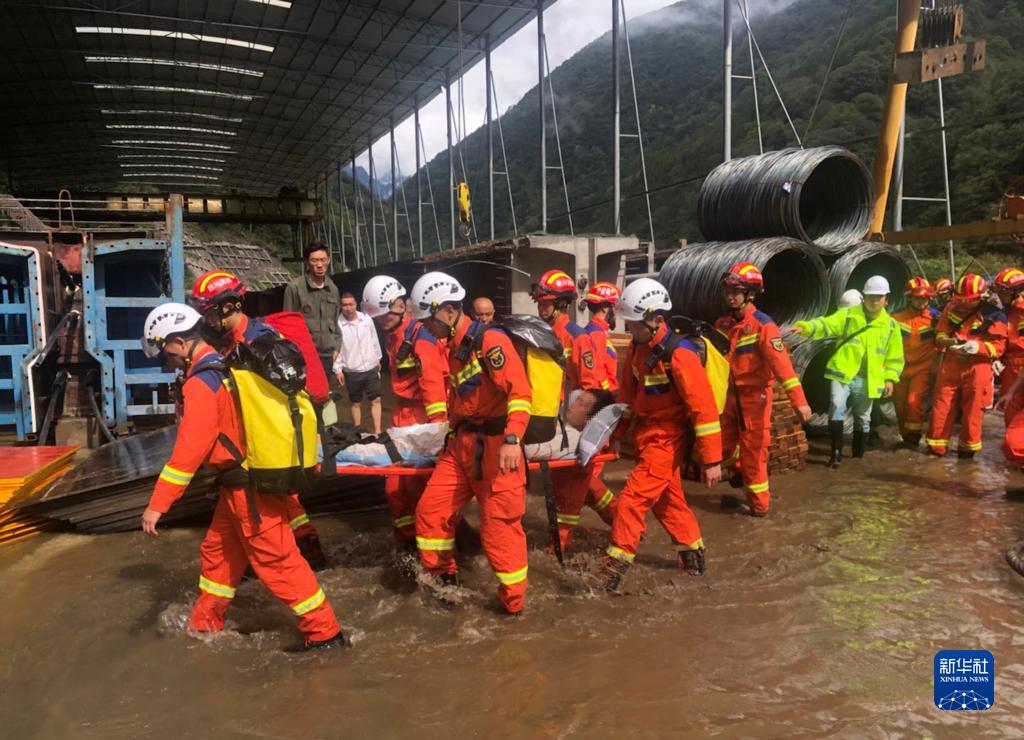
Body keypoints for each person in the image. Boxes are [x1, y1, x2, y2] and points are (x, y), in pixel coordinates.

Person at [139, 303, 346, 651]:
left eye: (165, 352)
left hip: (247, 488)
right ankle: (204, 626)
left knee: (278, 561)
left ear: (177, 342)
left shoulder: (201, 382)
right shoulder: (226, 365)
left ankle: (326, 635)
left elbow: (189, 450)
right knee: (218, 555)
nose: (167, 361)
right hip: (239, 484)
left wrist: (157, 505)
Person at [410, 271, 532, 615]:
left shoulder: (490, 341)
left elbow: (520, 393)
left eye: (429, 321)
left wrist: (512, 438)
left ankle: (512, 608)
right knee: (431, 512)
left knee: (500, 531)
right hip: (461, 445)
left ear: (448, 311)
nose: (425, 329)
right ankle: (443, 583)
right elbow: (459, 399)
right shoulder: (452, 347)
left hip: (497, 448)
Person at [191, 270, 327, 570]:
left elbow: (290, 395)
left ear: (229, 306)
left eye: (210, 312)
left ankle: (302, 558)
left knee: (273, 509)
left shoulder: (261, 343)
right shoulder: (233, 343)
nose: (207, 320)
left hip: (269, 442)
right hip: (253, 443)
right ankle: (307, 551)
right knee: (281, 504)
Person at [601, 278, 722, 591]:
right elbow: (627, 398)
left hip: (668, 439)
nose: (630, 332)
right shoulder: (639, 351)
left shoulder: (680, 355)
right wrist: (618, 434)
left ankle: (612, 569)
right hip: (647, 436)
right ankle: (693, 557)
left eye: (635, 326)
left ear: (657, 320)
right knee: (667, 500)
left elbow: (703, 408)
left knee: (631, 500)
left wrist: (711, 460)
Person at [714, 262, 811, 517]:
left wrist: (799, 401)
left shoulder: (764, 326)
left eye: (736, 290)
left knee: (754, 454)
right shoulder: (722, 324)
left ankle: (759, 507)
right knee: (720, 445)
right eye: (727, 290)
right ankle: (737, 470)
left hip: (753, 400)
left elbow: (783, 368)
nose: (730, 295)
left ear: (751, 294)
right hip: (728, 398)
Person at [530, 269, 617, 552]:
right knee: (576, 484)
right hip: (552, 424)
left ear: (562, 304)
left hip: (574, 426)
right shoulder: (541, 335)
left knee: (572, 486)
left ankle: (559, 546)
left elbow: (590, 389)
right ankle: (622, 522)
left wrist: (585, 434)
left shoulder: (577, 338)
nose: (541, 307)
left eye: (546, 303)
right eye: (540, 302)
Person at [361, 275, 448, 545]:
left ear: (400, 305)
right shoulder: (395, 336)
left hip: (423, 419)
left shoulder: (420, 339)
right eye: (378, 318)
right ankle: (407, 543)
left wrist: (439, 435)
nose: (381, 321)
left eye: (385, 315)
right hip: (404, 417)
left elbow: (435, 389)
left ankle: (440, 544)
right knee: (397, 489)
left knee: (420, 487)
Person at [788, 276, 904, 467]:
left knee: (863, 417)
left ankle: (858, 454)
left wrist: (890, 378)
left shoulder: (891, 327)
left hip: (869, 378)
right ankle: (835, 454)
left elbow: (895, 357)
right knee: (836, 405)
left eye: (879, 297)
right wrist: (806, 327)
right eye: (871, 296)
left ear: (886, 299)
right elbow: (826, 324)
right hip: (842, 372)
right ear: (864, 297)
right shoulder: (849, 315)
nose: (874, 300)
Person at [927, 274, 1007, 458]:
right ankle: (935, 451)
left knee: (973, 413)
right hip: (951, 363)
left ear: (981, 296)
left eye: (968, 301)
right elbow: (939, 334)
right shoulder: (951, 307)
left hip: (978, 368)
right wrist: (948, 342)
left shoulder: (995, 315)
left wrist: (977, 347)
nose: (963, 304)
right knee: (941, 408)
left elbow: (999, 347)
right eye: (960, 299)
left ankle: (967, 454)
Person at [890, 277, 940, 448]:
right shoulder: (895, 317)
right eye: (918, 297)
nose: (921, 301)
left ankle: (913, 438)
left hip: (923, 368)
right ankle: (905, 438)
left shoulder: (936, 318)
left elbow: (946, 337)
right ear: (909, 297)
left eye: (925, 298)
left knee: (914, 401)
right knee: (900, 405)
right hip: (899, 369)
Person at [283, 242, 340, 389]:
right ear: (307, 263)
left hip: (327, 356)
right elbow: (287, 324)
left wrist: (336, 348)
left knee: (323, 396)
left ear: (328, 260)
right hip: (304, 356)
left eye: (323, 260)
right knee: (306, 398)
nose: (319, 265)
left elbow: (335, 322)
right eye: (315, 260)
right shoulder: (294, 288)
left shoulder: (333, 289)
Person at [333, 292, 383, 435]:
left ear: (356, 304)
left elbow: (374, 339)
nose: (348, 308)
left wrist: (377, 358)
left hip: (370, 367)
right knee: (355, 403)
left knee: (376, 400)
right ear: (341, 306)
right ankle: (358, 432)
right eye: (344, 305)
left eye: (351, 304)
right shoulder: (338, 324)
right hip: (352, 370)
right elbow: (336, 348)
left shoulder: (366, 319)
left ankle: (378, 432)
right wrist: (338, 370)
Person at [575, 282, 621, 393]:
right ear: (605, 308)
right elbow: (597, 375)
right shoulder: (596, 334)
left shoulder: (598, 331)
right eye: (614, 307)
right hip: (603, 396)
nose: (615, 313)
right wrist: (608, 393)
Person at [992, 268, 1024, 427]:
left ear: (1016, 292)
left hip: (1021, 365)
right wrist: (997, 358)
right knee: (1010, 415)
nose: (999, 295)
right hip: (1010, 369)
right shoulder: (1003, 313)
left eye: (1003, 292)